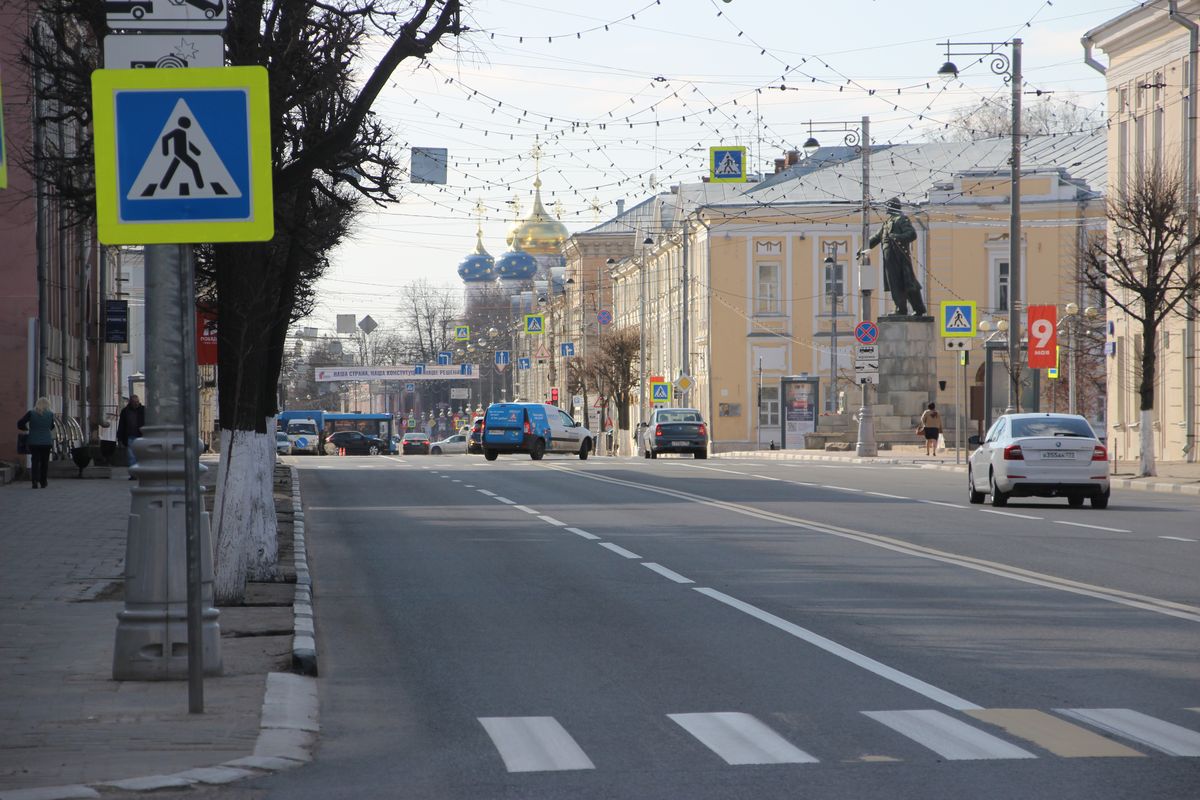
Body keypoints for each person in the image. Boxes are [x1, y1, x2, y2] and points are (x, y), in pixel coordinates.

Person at [861, 197, 927, 317]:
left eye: (887, 206)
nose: (886, 208)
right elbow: (876, 238)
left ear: (892, 206)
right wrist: (861, 249)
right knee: (894, 283)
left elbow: (912, 234)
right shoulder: (887, 223)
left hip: (900, 256)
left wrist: (896, 236)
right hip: (889, 258)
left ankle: (918, 308)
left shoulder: (901, 219)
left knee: (908, 282)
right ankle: (900, 308)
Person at [17, 397, 55, 489]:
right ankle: (43, 481)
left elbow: (20, 423)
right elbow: (51, 427)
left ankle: (34, 481)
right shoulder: (50, 414)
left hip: (34, 441)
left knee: (35, 461)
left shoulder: (31, 413)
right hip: (46, 442)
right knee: (44, 462)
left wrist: (26, 429)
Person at [117, 395, 145, 479]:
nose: (136, 404)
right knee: (131, 457)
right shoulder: (125, 411)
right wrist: (120, 438)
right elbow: (121, 425)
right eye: (134, 402)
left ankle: (141, 473)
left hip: (142, 436)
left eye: (137, 402)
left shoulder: (143, 410)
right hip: (130, 436)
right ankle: (133, 474)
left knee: (141, 456)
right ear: (130, 402)